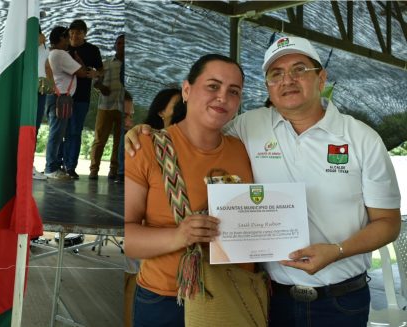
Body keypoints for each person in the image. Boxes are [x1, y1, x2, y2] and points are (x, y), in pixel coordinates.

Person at [125, 36, 402, 327]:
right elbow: (197, 129)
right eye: (276, 74)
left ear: (322, 78)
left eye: (299, 69)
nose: (288, 80)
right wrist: (146, 132)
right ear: (268, 85)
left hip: (338, 299)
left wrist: (337, 251)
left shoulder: (362, 139)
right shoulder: (248, 126)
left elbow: (388, 223)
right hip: (269, 298)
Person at [125, 54, 261, 326]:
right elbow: (126, 235)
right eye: (213, 86)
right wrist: (179, 236)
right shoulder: (147, 148)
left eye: (233, 91)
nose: (223, 96)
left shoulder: (246, 150)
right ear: (186, 90)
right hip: (167, 299)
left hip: (233, 292)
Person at [44, 26, 97, 179]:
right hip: (60, 98)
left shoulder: (50, 53)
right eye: (67, 37)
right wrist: (79, 62)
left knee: (56, 132)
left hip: (54, 97)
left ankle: (52, 166)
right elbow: (81, 73)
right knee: (57, 133)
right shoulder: (61, 54)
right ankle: (51, 168)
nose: (69, 41)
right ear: (61, 38)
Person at [64, 19, 104, 179]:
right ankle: (56, 164)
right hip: (62, 96)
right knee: (60, 130)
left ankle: (70, 167)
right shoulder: (62, 47)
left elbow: (101, 70)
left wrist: (96, 74)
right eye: (72, 32)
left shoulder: (92, 50)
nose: (75, 35)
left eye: (79, 32)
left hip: (81, 97)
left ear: (85, 34)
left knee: (75, 131)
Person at [89, 34, 124, 180]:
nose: (122, 46)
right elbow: (96, 82)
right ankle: (93, 170)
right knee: (99, 139)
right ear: (115, 45)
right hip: (106, 106)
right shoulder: (106, 64)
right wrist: (102, 87)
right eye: (120, 43)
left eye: (126, 43)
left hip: (124, 108)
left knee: (120, 141)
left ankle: (114, 171)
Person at [33, 28, 53, 180]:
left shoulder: (46, 46)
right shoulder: (22, 40)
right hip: (27, 87)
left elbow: (47, 66)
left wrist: (51, 84)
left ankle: (28, 164)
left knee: (34, 127)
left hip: (40, 89)